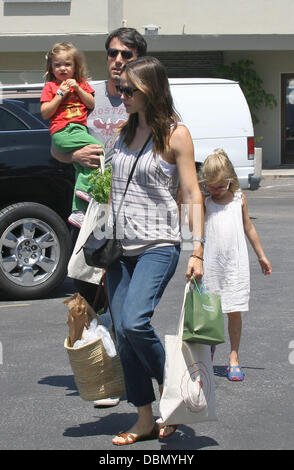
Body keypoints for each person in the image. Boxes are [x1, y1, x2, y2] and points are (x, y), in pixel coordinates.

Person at [105, 56, 204, 446]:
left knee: (134, 322)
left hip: (158, 246)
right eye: (121, 89)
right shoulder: (123, 132)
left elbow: (193, 192)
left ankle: (174, 388)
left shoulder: (176, 134)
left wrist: (198, 249)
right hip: (118, 249)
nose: (123, 95)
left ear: (152, 90)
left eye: (130, 90)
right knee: (123, 333)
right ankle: (145, 417)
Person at [51, 28, 147, 408]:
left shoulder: (147, 96)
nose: (118, 60)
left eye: (126, 53)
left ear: (139, 56)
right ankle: (100, 371)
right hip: (95, 204)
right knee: (89, 284)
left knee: (125, 293)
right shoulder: (87, 94)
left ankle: (126, 366)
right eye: (112, 53)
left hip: (137, 208)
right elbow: (58, 144)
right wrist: (72, 156)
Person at [199, 149, 272, 381]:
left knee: (234, 311)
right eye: (210, 186)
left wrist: (261, 255)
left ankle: (233, 357)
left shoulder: (239, 199)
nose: (215, 191)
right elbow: (194, 230)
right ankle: (207, 351)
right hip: (212, 265)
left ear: (230, 180)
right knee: (210, 312)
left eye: (220, 186)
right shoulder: (205, 201)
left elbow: (248, 227)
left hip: (234, 266)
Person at [40, 42, 104, 229]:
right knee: (99, 150)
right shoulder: (51, 86)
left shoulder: (81, 84)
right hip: (64, 131)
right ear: (51, 68)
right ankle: (85, 190)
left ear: (75, 66)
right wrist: (60, 94)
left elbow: (91, 103)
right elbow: (45, 112)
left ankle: (78, 212)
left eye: (67, 64)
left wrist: (78, 89)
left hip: (78, 131)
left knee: (83, 167)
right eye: (57, 65)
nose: (62, 68)